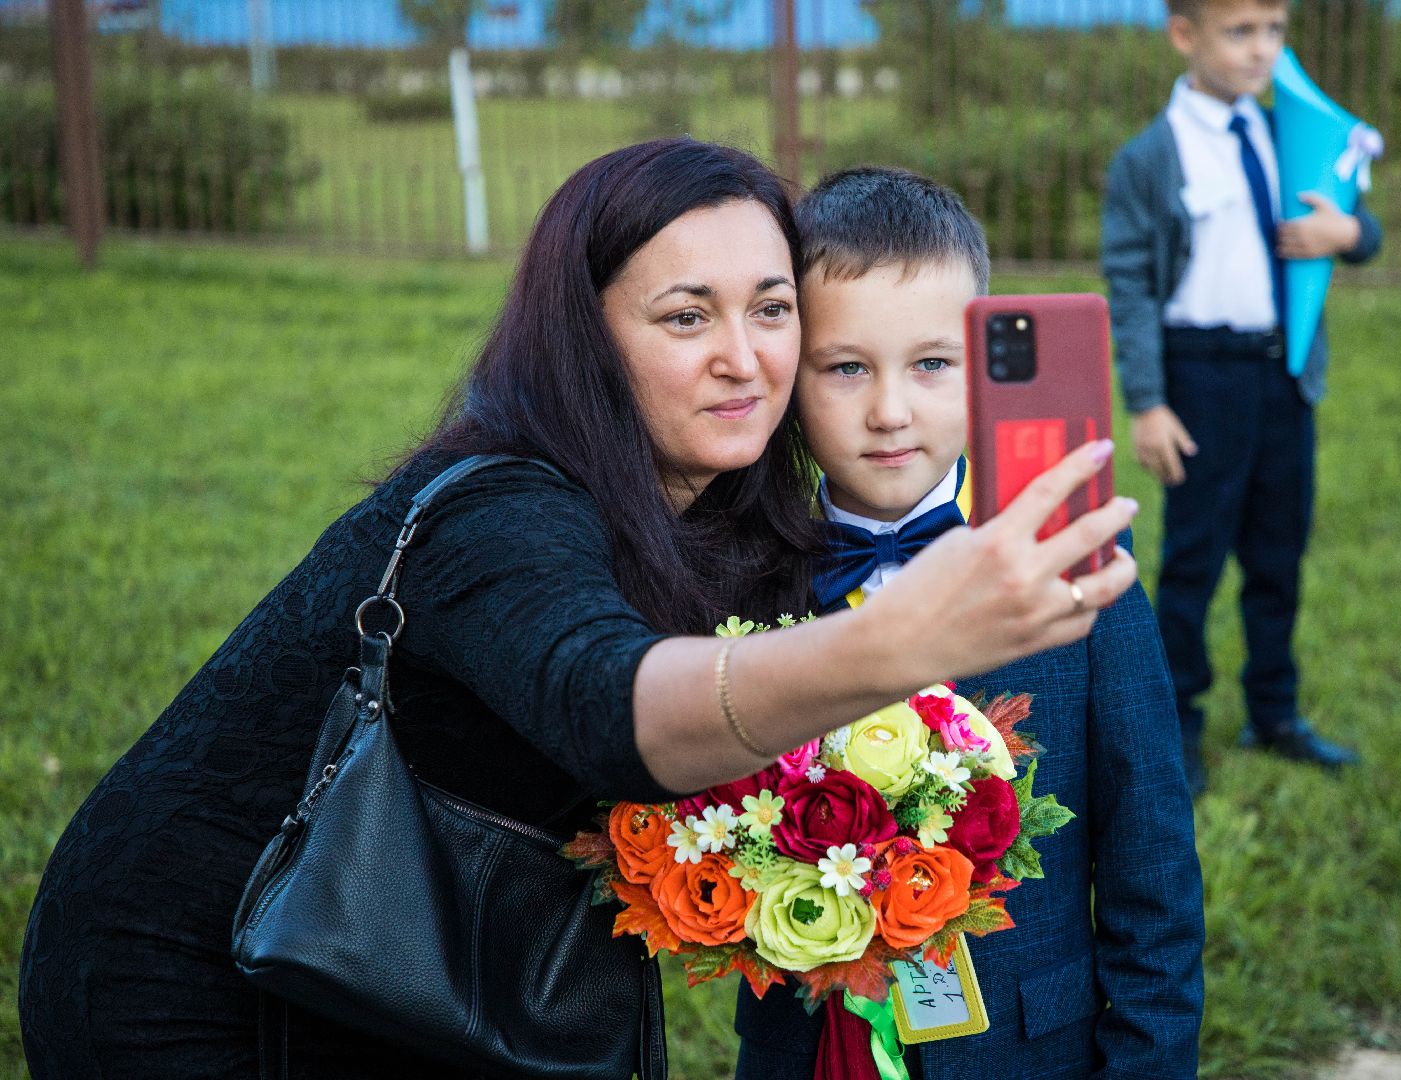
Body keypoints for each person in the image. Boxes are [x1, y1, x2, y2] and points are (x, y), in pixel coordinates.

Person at [17, 139, 1138, 1079]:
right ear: (583, 332)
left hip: (418, 954)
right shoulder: (502, 507)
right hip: (201, 970)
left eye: (773, 309)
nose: (743, 359)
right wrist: (895, 643)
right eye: (686, 317)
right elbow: (612, 704)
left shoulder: (731, 516)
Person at [732, 166, 1204, 1080]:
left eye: (932, 364)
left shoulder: (1078, 575)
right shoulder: (749, 586)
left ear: (983, 368)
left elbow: (1154, 877)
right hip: (806, 1054)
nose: (890, 411)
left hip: (1031, 1052)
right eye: (846, 368)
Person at [1102, 0, 1384, 797]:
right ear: (1184, 34)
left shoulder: (1287, 130)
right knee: (1193, 557)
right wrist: (1149, 402)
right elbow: (1130, 288)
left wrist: (1349, 237)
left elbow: (1362, 224)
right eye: (1239, 32)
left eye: (1274, 30)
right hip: (1201, 374)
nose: (1262, 50)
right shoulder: (1151, 158)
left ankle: (1275, 710)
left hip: (1281, 374)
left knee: (1278, 549)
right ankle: (1178, 718)